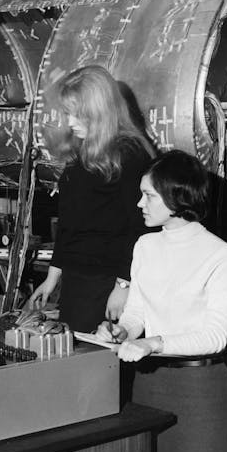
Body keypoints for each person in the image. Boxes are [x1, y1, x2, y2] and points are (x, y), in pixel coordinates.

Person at [96, 150, 227, 452]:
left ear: (177, 196)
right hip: (149, 384)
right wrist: (122, 331)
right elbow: (136, 314)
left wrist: (152, 343)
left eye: (148, 195)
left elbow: (215, 337)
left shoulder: (219, 255)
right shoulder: (145, 246)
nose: (139, 204)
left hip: (201, 390)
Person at [27, 65, 155, 331]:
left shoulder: (130, 153)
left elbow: (140, 228)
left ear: (99, 112)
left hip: (107, 278)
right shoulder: (85, 150)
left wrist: (123, 285)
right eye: (68, 114)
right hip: (78, 276)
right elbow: (69, 222)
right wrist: (53, 276)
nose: (71, 123)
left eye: (78, 115)